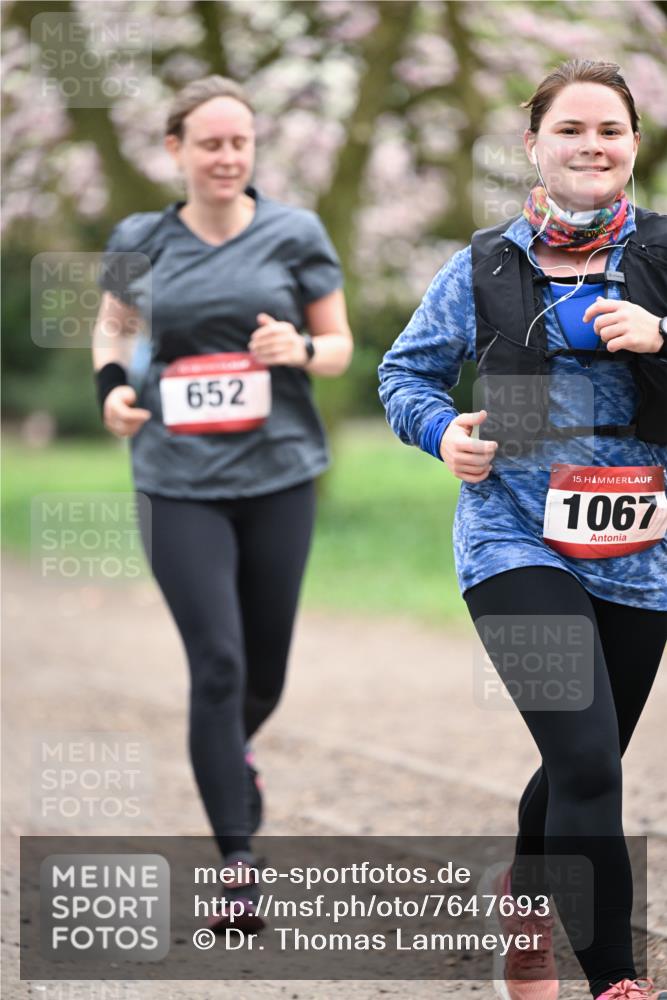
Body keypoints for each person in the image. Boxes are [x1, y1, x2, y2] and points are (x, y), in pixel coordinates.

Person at [379, 59, 666, 1000]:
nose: (592, 146)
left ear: (633, 145)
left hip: (639, 546)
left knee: (581, 760)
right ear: (533, 144)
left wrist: (662, 337)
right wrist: (443, 431)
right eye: (571, 129)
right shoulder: (483, 266)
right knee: (587, 757)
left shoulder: (663, 254)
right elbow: (404, 376)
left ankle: (525, 902)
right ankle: (616, 979)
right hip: (514, 537)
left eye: (610, 131)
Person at [92, 76, 352, 927]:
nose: (227, 157)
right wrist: (111, 391)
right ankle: (236, 861)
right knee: (219, 666)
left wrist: (299, 345)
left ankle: (233, 753)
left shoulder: (295, 232)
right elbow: (115, 326)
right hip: (176, 480)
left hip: (277, 473)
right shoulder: (140, 237)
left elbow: (341, 346)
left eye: (239, 142)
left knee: (264, 672)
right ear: (176, 150)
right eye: (209, 143)